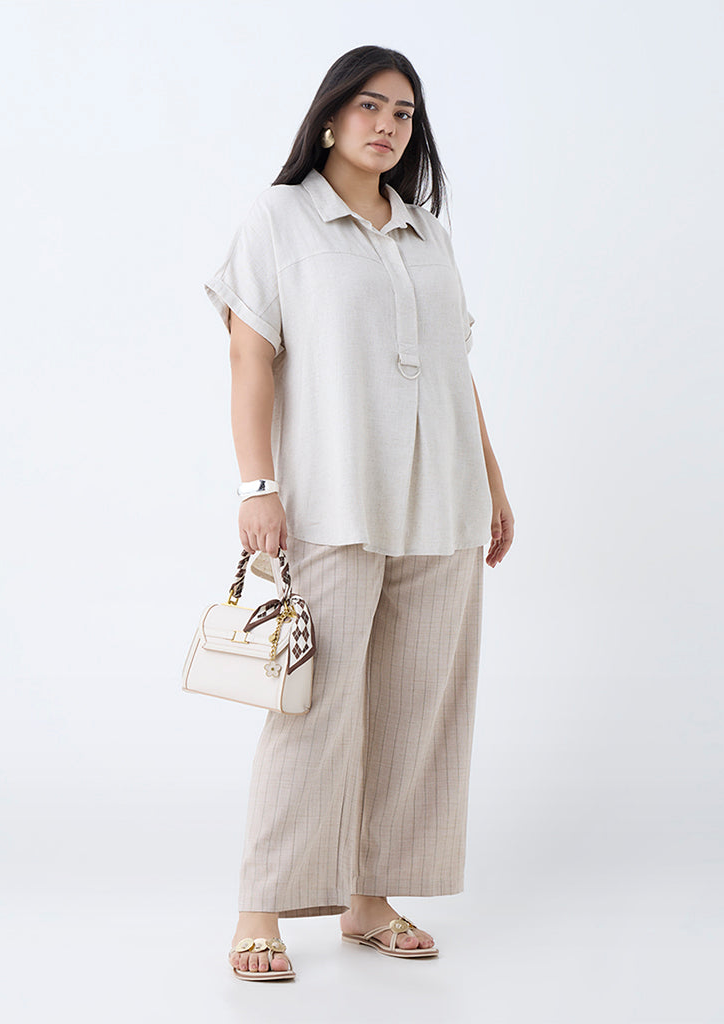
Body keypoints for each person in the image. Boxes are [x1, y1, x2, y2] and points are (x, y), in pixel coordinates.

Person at [203, 45, 514, 982]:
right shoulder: (280, 218)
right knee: (313, 707)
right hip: (336, 499)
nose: (388, 125)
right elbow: (249, 356)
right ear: (332, 115)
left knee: (420, 711)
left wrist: (494, 483)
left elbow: (456, 369)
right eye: (371, 106)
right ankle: (260, 910)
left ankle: (370, 899)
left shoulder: (428, 235)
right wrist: (257, 487)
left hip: (444, 500)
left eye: (404, 113)